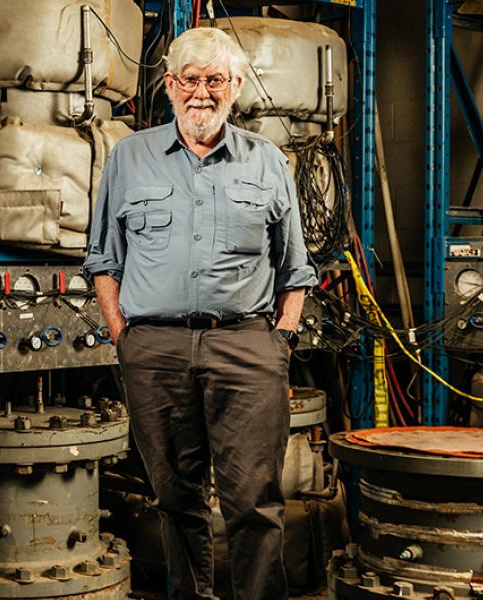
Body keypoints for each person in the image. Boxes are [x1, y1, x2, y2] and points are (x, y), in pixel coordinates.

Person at [81, 26, 317, 600]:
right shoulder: (129, 158)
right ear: (169, 85)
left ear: (236, 87)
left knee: (254, 500)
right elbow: (103, 258)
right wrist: (123, 334)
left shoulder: (267, 163)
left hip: (246, 349)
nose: (202, 92)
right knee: (174, 497)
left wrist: (279, 338)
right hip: (154, 350)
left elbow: (297, 269)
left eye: (216, 80)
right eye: (190, 79)